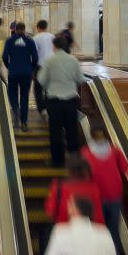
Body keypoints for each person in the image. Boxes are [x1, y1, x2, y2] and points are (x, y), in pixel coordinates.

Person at [37, 36, 85, 166]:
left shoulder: (49, 60)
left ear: (54, 46)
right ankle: (75, 160)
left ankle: (58, 161)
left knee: (55, 131)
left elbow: (41, 80)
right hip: (71, 100)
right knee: (72, 130)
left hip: (54, 101)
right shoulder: (73, 60)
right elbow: (80, 79)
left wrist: (49, 85)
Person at [81, 126, 128, 248]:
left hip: (96, 198)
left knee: (97, 231)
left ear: (91, 136)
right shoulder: (115, 151)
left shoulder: (85, 153)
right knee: (113, 231)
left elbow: (83, 177)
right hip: (114, 196)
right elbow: (125, 168)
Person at [2, 22, 39, 131]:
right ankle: (24, 122)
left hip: (13, 71)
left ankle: (15, 110)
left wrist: (9, 66)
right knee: (24, 97)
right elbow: (35, 58)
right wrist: (31, 69)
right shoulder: (30, 41)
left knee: (12, 93)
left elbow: (4, 56)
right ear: (24, 29)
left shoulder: (9, 41)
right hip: (26, 72)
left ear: (15, 29)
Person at [45, 159, 104, 224]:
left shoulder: (57, 186)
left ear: (69, 170)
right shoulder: (93, 188)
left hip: (63, 227)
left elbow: (50, 211)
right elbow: (98, 215)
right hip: (88, 228)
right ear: (85, 170)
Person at [32, 20, 55, 121]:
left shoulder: (35, 38)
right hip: (51, 66)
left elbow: (34, 54)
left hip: (40, 67)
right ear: (46, 27)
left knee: (38, 89)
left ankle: (42, 109)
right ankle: (50, 108)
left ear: (38, 28)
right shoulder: (53, 37)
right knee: (49, 88)